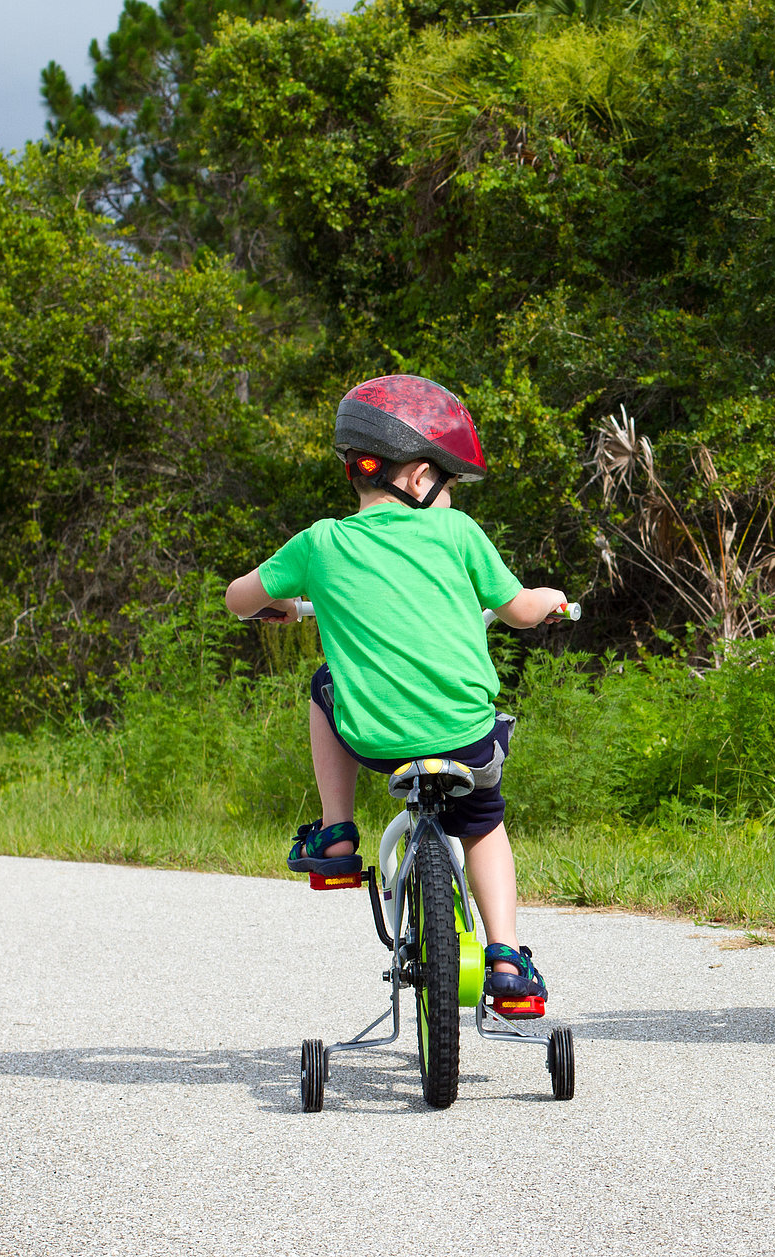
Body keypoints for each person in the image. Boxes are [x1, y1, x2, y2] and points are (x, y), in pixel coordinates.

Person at [223, 374, 569, 1012]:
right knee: (484, 824)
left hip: (375, 740)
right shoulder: (459, 534)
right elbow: (519, 609)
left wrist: (274, 601)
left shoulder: (320, 542)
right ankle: (508, 959)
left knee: (324, 683)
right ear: (416, 479)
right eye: (449, 484)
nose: (450, 498)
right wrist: (549, 601)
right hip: (467, 741)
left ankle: (336, 835)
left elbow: (238, 599)